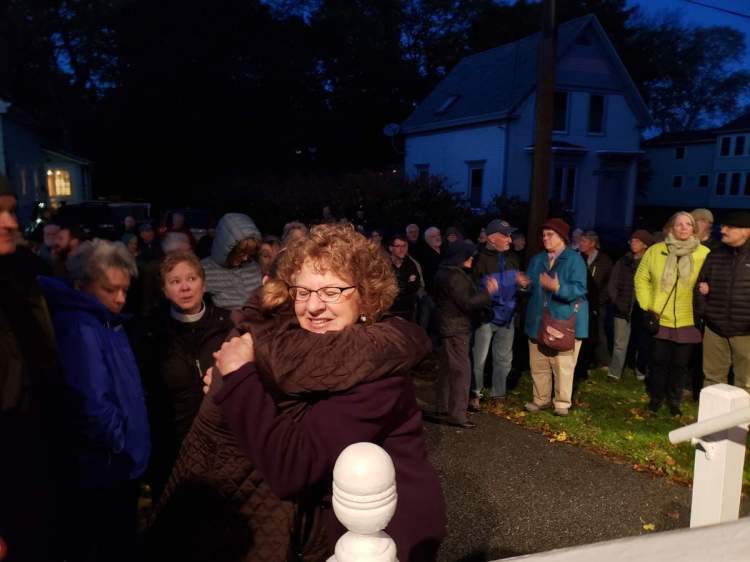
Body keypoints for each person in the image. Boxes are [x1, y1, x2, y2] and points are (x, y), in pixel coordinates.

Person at [150, 223, 443, 562]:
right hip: (333, 522)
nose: (313, 307)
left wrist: (241, 376)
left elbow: (293, 468)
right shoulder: (318, 353)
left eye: (331, 292)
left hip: (386, 536)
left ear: (366, 296)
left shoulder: (377, 373)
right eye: (303, 292)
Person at [38, 239, 150, 562]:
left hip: (118, 463)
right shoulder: (80, 326)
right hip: (106, 467)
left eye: (125, 290)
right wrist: (119, 445)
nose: (120, 299)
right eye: (110, 289)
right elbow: (91, 398)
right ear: (82, 285)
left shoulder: (105, 322)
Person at [0, 177, 64, 562]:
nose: (10, 222)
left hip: (37, 464)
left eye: (10, 210)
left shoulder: (25, 276)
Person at [143, 250, 233, 500]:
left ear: (203, 283)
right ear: (164, 290)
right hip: (172, 441)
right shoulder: (152, 333)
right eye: (175, 281)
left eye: (191, 279)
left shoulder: (227, 325)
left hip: (219, 439)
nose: (185, 287)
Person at [635, 211, 710, 416]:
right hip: (660, 318)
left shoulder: (704, 253)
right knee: (658, 362)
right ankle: (656, 399)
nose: (684, 228)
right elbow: (641, 278)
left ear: (694, 228)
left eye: (688, 224)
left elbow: (710, 282)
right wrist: (649, 305)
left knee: (680, 366)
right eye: (679, 224)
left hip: (688, 320)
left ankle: (674, 402)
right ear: (671, 228)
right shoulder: (656, 250)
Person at [524, 218, 588, 417]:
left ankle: (561, 403)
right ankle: (541, 398)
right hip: (538, 319)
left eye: (550, 234)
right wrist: (523, 284)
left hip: (563, 320)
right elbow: (531, 285)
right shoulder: (537, 259)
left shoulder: (574, 259)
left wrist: (558, 288)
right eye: (543, 235)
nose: (545, 238)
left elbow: (579, 288)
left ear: (562, 237)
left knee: (563, 364)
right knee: (539, 362)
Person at [434, 240, 499, 428]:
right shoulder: (454, 276)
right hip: (456, 327)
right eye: (469, 255)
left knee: (447, 368)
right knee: (461, 371)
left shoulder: (443, 272)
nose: (472, 258)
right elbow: (468, 302)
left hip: (447, 325)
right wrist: (489, 292)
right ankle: (458, 414)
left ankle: (442, 406)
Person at [470, 220, 523, 410]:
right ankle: (475, 393)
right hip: (486, 316)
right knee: (479, 358)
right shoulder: (477, 257)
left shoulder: (512, 257)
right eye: (506, 235)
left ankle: (498, 393)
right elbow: (476, 286)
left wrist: (523, 285)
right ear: (493, 238)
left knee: (504, 358)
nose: (510, 239)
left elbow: (516, 282)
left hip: (507, 316)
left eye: (510, 235)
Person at [696, 211, 750, 393]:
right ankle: (710, 420)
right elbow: (700, 286)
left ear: (746, 231)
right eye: (723, 225)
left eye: (730, 227)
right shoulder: (715, 255)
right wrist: (705, 313)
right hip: (715, 329)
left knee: (746, 383)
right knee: (712, 380)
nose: (723, 229)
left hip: (746, 332)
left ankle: (743, 422)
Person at [607, 229, 654, 381]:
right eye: (632, 241)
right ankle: (615, 372)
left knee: (641, 343)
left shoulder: (650, 263)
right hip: (622, 308)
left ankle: (640, 370)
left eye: (637, 241)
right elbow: (613, 283)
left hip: (641, 310)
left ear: (645, 245)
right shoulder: (623, 261)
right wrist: (616, 301)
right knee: (620, 343)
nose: (633, 243)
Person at [201, 213, 262, 310]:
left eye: (249, 253)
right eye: (241, 253)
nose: (246, 258)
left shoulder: (253, 267)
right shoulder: (203, 271)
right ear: (227, 249)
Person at [575, 230, 612, 374]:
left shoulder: (604, 261)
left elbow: (608, 284)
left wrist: (600, 301)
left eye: (584, 241)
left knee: (597, 332)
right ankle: (582, 360)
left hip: (597, 303)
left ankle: (600, 360)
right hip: (580, 301)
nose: (580, 244)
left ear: (593, 243)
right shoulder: (577, 257)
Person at [388, 233, 421, 320]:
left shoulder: (410, 264)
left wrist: (400, 285)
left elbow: (415, 285)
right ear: (391, 248)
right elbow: (387, 289)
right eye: (398, 246)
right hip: (389, 311)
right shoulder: (384, 265)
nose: (402, 249)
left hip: (408, 310)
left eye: (404, 246)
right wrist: (407, 283)